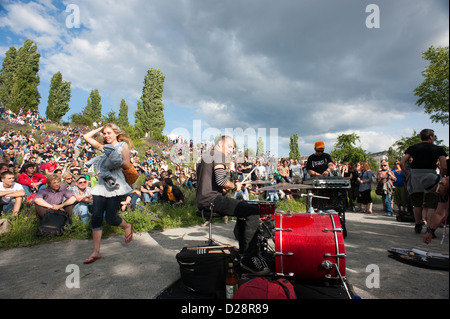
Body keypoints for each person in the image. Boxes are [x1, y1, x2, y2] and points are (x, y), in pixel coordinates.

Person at [196, 136, 269, 275]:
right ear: (220, 144)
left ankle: (243, 251)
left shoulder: (206, 156)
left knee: (244, 210)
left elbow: (213, 182)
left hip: (203, 198)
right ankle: (249, 258)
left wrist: (224, 188)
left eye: (232, 148)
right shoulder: (218, 154)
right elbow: (221, 180)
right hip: (211, 199)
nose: (231, 150)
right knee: (252, 212)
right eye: (229, 146)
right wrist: (235, 186)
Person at [82, 124, 134, 264]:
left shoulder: (122, 145)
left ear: (116, 133)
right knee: (97, 216)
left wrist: (113, 159)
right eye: (104, 133)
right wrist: (99, 129)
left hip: (116, 183)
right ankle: (96, 252)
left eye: (109, 133)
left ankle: (127, 226)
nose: (106, 136)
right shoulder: (103, 147)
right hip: (101, 183)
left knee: (111, 218)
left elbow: (127, 165)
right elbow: (86, 137)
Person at [400, 129, 447, 234]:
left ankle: (417, 224)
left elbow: (402, 163)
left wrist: (408, 175)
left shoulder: (412, 148)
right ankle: (429, 229)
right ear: (431, 137)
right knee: (431, 203)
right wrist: (441, 177)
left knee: (417, 203)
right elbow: (444, 166)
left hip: (415, 175)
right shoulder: (438, 149)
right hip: (431, 175)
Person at [423, 159, 449, 244]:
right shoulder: (444, 191)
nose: (437, 194)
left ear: (441, 183)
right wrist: (430, 231)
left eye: (436, 191)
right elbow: (440, 213)